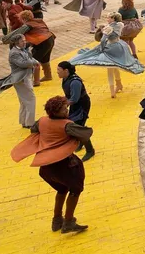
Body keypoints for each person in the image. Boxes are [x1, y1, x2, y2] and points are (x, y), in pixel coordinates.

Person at [10, 95, 93, 233]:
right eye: (63, 109)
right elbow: (84, 134)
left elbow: (34, 130)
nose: (66, 111)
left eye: (66, 108)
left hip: (46, 167)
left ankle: (57, 220)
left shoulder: (42, 121)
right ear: (55, 112)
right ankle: (68, 221)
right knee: (75, 189)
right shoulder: (67, 125)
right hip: (65, 166)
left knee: (62, 189)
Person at [70, 12, 145, 98]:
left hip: (111, 48)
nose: (107, 19)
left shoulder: (108, 28)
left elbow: (102, 40)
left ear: (113, 19)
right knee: (115, 65)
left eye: (109, 18)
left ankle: (112, 91)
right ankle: (119, 84)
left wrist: (101, 49)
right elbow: (115, 29)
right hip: (120, 46)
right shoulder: (120, 24)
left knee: (110, 68)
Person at [4, 10, 57, 86]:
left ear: (24, 19)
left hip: (42, 42)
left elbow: (17, 33)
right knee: (45, 58)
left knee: (33, 61)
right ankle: (48, 76)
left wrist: (6, 39)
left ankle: (36, 81)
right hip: (50, 39)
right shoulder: (39, 21)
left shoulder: (27, 25)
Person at [58, 61, 95, 161]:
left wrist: (62, 105)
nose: (57, 72)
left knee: (78, 128)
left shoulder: (75, 82)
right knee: (77, 125)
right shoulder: (65, 79)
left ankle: (90, 150)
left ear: (66, 71)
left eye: (59, 70)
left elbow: (74, 99)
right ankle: (81, 142)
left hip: (82, 105)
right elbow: (68, 95)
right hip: (75, 106)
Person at [4, 34, 39, 128]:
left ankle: (24, 121)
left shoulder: (22, 49)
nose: (24, 42)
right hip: (21, 79)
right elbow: (23, 63)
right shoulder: (14, 53)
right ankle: (30, 123)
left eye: (24, 40)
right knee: (30, 99)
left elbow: (29, 58)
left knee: (24, 101)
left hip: (25, 77)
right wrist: (34, 62)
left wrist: (33, 60)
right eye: (22, 41)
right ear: (16, 43)